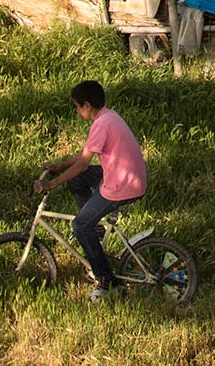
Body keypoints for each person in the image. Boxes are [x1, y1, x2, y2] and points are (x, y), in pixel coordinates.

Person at [34, 79, 147, 300]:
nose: (76, 110)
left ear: (87, 105)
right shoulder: (107, 116)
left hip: (122, 185)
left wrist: (51, 184)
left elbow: (83, 163)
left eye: (77, 106)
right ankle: (95, 228)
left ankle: (107, 281)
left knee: (79, 225)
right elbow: (84, 155)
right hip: (124, 176)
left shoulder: (102, 125)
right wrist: (59, 167)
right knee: (77, 181)